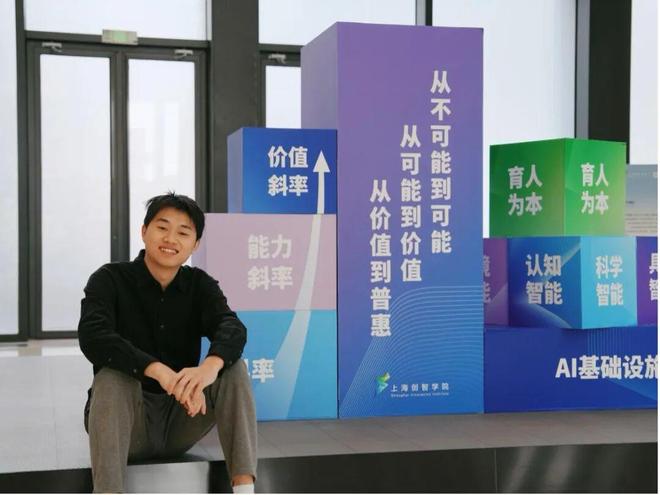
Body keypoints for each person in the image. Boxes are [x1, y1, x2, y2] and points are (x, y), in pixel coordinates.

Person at [78, 192, 257, 493]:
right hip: (127, 423)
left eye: (183, 232)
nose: (171, 239)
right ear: (144, 231)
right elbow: (93, 336)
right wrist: (157, 370)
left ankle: (244, 489)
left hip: (182, 418)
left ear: (195, 244)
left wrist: (208, 369)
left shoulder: (199, 285)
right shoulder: (109, 279)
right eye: (162, 227)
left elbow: (232, 327)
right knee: (111, 377)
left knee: (232, 368)